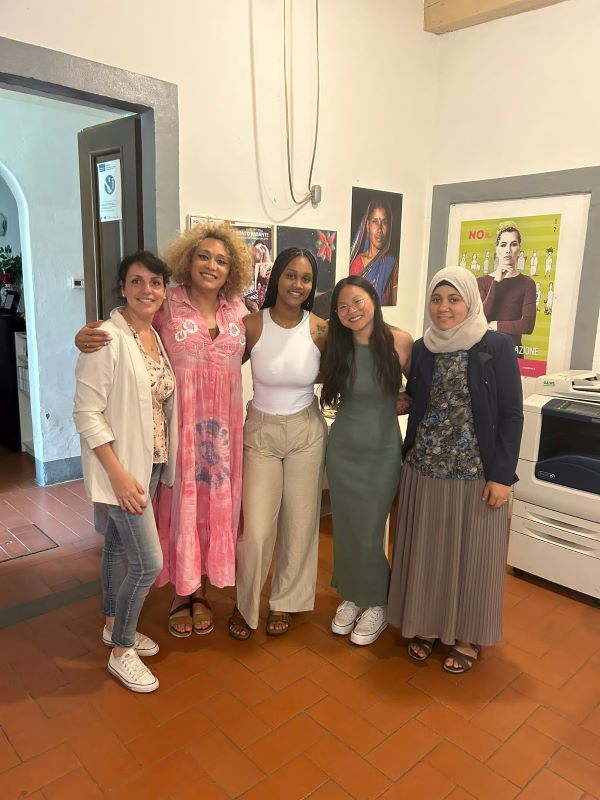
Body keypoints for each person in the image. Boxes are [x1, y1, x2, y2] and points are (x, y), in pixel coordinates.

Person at [74, 224, 252, 639]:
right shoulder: (168, 305)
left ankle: (202, 591)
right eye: (204, 256)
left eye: (221, 260)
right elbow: (124, 325)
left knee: (212, 508)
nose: (212, 265)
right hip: (178, 436)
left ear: (232, 270)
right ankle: (179, 595)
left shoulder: (240, 311)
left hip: (223, 435)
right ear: (188, 261)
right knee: (178, 512)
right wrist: (83, 334)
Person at [387, 266, 523, 673]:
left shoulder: (494, 345)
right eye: (436, 299)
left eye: (452, 299)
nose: (443, 308)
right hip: (423, 466)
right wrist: (396, 398)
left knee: (472, 555)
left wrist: (502, 476)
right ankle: (425, 625)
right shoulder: (424, 346)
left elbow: (513, 414)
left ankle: (467, 636)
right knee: (427, 550)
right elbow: (420, 396)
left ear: (470, 302)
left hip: (474, 472)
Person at [73, 251, 177, 693]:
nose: (147, 290)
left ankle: (112, 623)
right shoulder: (106, 338)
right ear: (122, 288)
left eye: (155, 282)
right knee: (148, 563)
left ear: (164, 291)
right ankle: (120, 651)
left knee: (117, 546)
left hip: (150, 462)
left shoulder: (153, 335)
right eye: (137, 281)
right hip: (123, 471)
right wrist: (116, 474)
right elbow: (86, 413)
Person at [229, 248, 329, 639]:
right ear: (276, 278)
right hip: (261, 433)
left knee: (300, 523)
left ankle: (286, 601)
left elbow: (345, 370)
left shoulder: (321, 328)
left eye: (305, 279)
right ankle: (245, 602)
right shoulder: (252, 324)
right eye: (291, 275)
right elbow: (214, 364)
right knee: (255, 529)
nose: (298, 285)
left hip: (306, 431)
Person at [320, 276, 413, 645]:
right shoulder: (336, 344)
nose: (351, 311)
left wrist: (404, 397)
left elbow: (422, 388)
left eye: (356, 302)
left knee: (370, 530)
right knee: (346, 528)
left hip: (381, 450)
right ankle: (352, 594)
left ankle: (377, 601)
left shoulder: (400, 341)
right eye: (342, 307)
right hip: (342, 449)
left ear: (372, 299)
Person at [476, 222, 536, 356]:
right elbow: (481, 319)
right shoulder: (481, 282)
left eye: (513, 244)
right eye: (503, 245)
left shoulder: (527, 283)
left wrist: (495, 325)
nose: (508, 250)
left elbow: (527, 325)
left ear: (519, 249)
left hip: (512, 354)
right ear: (497, 249)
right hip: (484, 352)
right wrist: (496, 282)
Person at [349, 196, 399, 306]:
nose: (379, 230)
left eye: (384, 222)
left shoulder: (392, 264)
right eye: (375, 222)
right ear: (367, 226)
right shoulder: (356, 263)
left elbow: (396, 305)